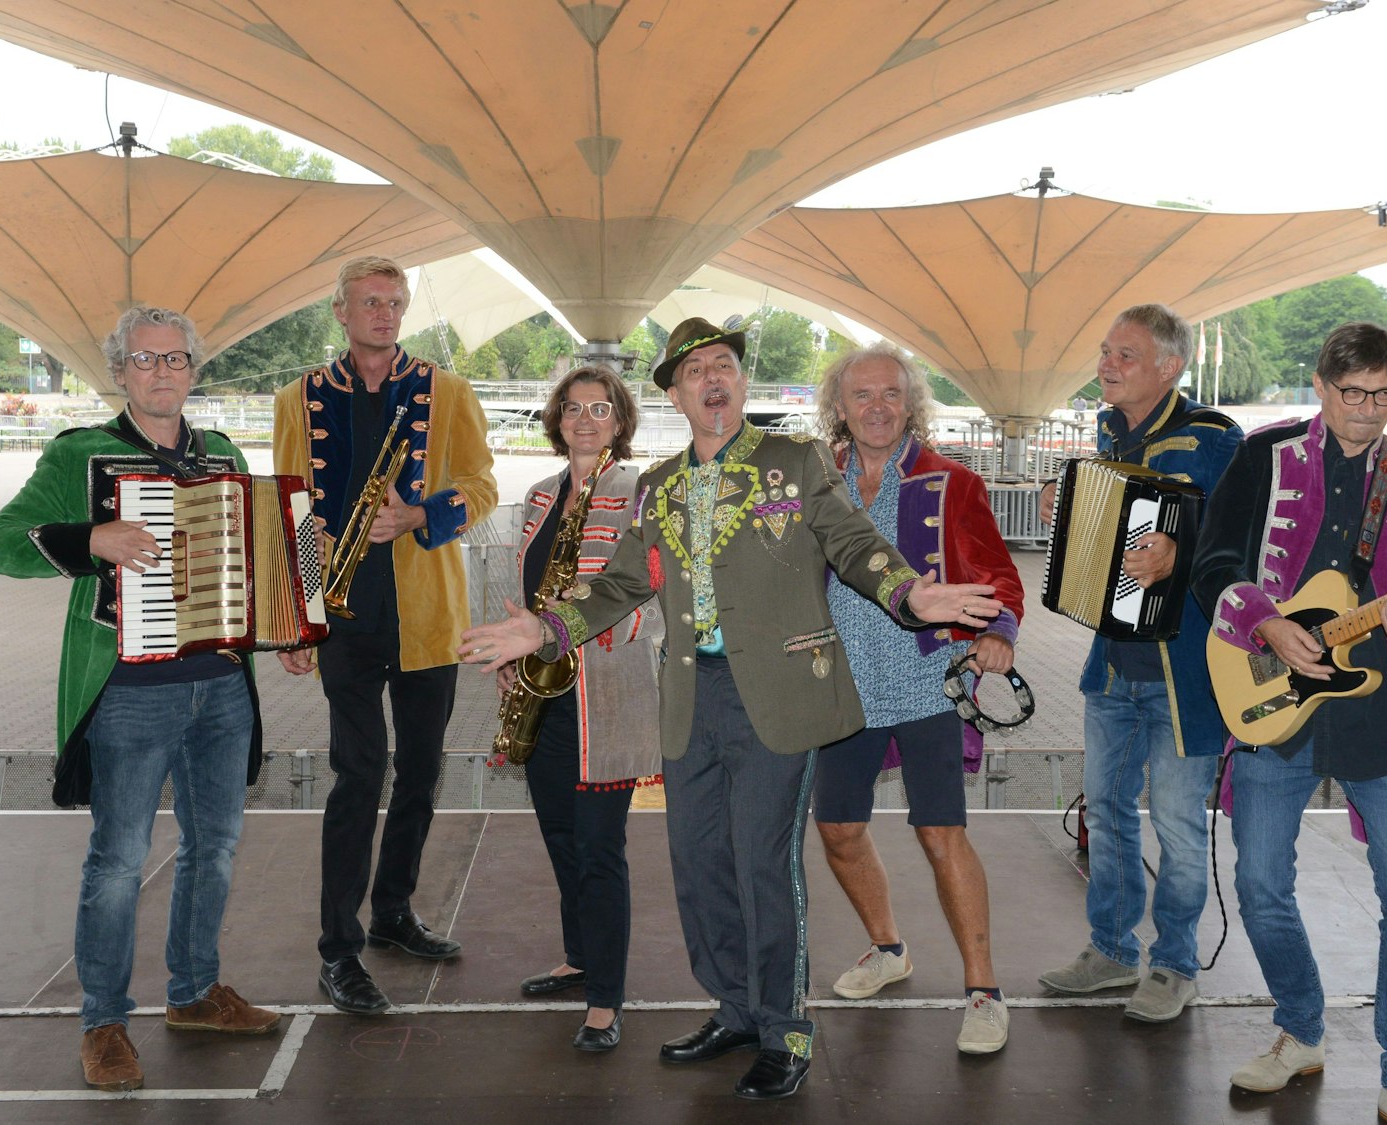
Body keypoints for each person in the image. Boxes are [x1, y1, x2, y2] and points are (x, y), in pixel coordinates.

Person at [461, 316, 1003, 1101]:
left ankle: (785, 1029)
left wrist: (911, 593)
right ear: (676, 395)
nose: (713, 379)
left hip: (778, 697)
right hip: (692, 695)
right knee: (698, 861)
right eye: (695, 372)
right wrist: (541, 628)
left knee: (762, 863)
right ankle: (735, 1007)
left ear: (740, 384)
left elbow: (852, 543)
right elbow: (621, 585)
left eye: (724, 366)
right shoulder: (659, 486)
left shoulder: (794, 461)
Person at [0, 306, 280, 1092]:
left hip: (221, 688)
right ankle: (104, 1021)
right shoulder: (81, 454)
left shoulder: (225, 452)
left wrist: (292, 621)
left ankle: (193, 992)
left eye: (175, 359)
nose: (161, 372)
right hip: (128, 693)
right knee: (117, 862)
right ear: (119, 371)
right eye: (144, 361)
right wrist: (90, 541)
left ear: (194, 369)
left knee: (214, 849)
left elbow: (259, 558)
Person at [1191, 322, 1387, 1125]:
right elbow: (1215, 563)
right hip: (1278, 705)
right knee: (1259, 884)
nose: (1369, 410)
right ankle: (1299, 1026)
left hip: (1383, 716)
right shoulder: (1264, 455)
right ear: (1320, 384)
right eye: (1354, 393)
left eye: (1384, 395)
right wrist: (1266, 624)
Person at [272, 256, 497, 1015]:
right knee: (358, 774)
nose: (384, 313)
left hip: (426, 614)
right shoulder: (297, 399)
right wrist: (297, 619)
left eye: (395, 303)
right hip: (343, 618)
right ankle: (339, 948)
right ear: (340, 310)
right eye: (370, 302)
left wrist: (423, 516)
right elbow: (293, 510)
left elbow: (482, 484)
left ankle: (394, 911)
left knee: (422, 773)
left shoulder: (449, 391)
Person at [808, 343, 1025, 1054]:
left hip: (927, 680)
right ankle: (888, 948)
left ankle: (985, 990)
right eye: (862, 394)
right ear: (839, 405)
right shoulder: (812, 481)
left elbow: (999, 573)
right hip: (842, 688)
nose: (876, 407)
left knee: (940, 834)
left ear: (910, 403)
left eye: (890, 394)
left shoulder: (951, 481)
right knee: (838, 830)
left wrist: (998, 632)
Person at [1035, 304, 1242, 1023]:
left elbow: (1241, 538)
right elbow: (1101, 525)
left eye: (1124, 353)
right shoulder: (1105, 432)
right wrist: (1060, 507)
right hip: (1115, 667)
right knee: (1110, 813)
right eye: (1104, 351)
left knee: (1181, 828)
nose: (1107, 363)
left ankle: (1174, 962)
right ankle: (1111, 952)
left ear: (1169, 366)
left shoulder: (1215, 438)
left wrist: (1179, 552)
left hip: (1189, 677)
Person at [499, 364, 662, 1051]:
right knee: (562, 837)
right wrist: (511, 656)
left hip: (609, 699)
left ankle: (605, 996)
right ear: (557, 420)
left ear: (621, 420)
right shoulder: (538, 495)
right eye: (573, 409)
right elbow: (522, 588)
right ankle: (580, 954)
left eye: (600, 409)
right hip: (545, 693)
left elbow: (646, 592)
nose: (586, 420)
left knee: (600, 847)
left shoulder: (640, 491)